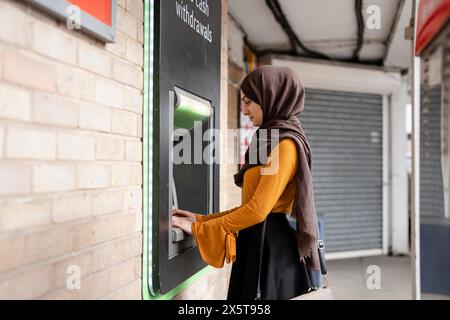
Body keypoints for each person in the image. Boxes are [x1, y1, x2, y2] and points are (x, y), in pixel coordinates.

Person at [172, 65, 320, 300]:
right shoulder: (268, 139)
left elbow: (258, 211)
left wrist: (202, 230)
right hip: (254, 242)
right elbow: (249, 206)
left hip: (270, 250)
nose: (243, 109)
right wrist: (201, 219)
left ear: (271, 97)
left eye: (249, 101)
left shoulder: (286, 145)